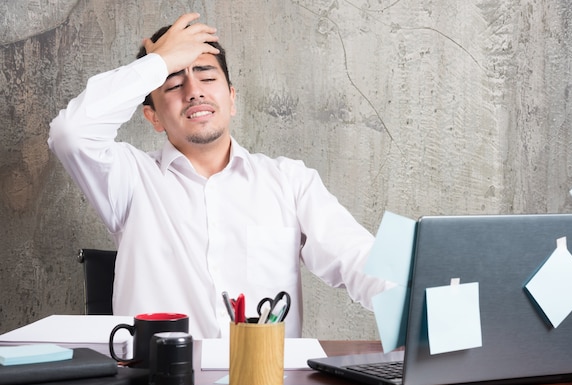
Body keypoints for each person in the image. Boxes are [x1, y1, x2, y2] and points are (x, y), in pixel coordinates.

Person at [48, 13, 388, 339]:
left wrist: (422, 312)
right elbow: (70, 133)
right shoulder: (129, 179)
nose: (194, 90)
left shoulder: (290, 181)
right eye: (174, 83)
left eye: (208, 77)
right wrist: (157, 64)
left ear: (232, 98)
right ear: (153, 117)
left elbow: (361, 260)